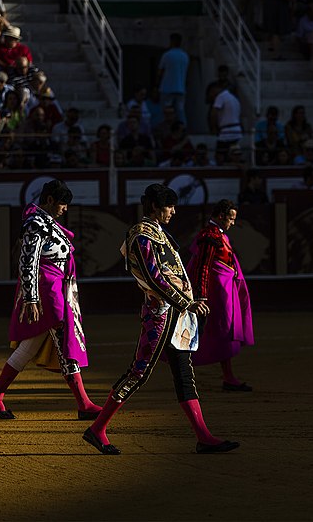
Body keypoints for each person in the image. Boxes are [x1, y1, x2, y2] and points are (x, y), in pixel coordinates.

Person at [83, 184, 239, 455]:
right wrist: (186, 302)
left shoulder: (156, 234)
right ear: (155, 207)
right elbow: (155, 277)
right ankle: (97, 429)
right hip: (159, 315)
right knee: (139, 372)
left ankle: (203, 436)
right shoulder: (140, 235)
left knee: (183, 372)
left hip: (174, 313)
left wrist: (189, 302)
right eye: (169, 207)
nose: (173, 212)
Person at [0, 180, 102, 421]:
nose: (65, 208)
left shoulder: (46, 223)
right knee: (63, 338)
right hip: (48, 290)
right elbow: (28, 261)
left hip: (55, 286)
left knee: (29, 346)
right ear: (48, 200)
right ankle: (83, 403)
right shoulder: (36, 224)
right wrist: (32, 299)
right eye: (62, 203)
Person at [186, 200, 255, 391]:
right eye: (231, 218)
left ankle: (228, 376)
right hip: (212, 296)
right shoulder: (210, 236)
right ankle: (185, 374)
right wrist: (200, 296)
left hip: (220, 293)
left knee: (223, 331)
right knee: (207, 331)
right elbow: (203, 266)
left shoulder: (217, 235)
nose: (232, 223)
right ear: (221, 216)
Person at [156, 32, 189, 124]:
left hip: (167, 88)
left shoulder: (167, 55)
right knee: (180, 111)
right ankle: (183, 129)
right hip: (181, 89)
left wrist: (156, 85)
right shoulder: (185, 56)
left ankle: (165, 130)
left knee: (164, 111)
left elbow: (160, 72)